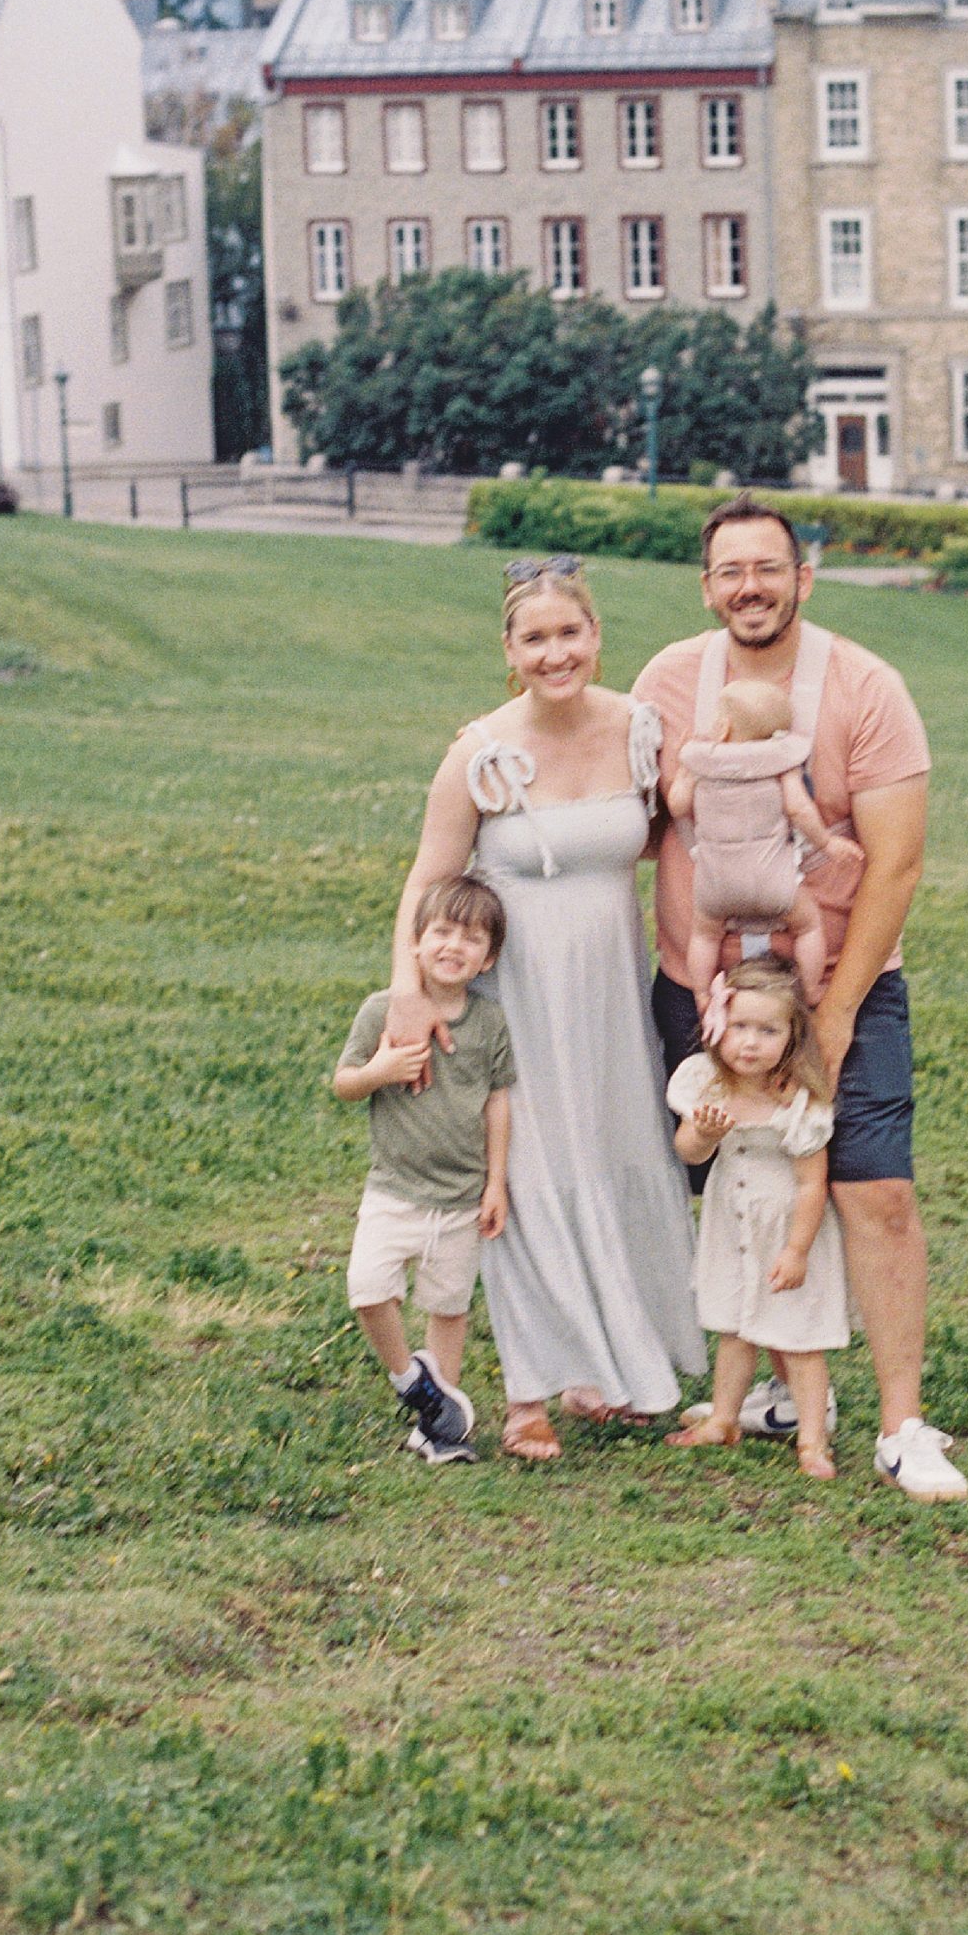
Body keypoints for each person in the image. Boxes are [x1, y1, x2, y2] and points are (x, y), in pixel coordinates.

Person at [634, 492, 966, 1505]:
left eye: (766, 569)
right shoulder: (666, 681)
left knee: (872, 1187)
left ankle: (902, 1424)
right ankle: (777, 1387)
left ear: (801, 577)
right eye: (728, 571)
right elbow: (636, 823)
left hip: (839, 981)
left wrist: (834, 1010)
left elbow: (894, 865)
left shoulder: (864, 687)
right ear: (706, 587)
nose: (749, 587)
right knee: (729, 1181)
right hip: (704, 987)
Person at [379, 555, 706, 1463]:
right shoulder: (479, 752)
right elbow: (428, 876)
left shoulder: (641, 730)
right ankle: (526, 1392)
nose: (555, 653)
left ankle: (608, 1368)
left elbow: (660, 836)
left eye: (571, 633)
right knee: (523, 1176)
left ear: (597, 637)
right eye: (536, 639)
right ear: (509, 651)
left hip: (606, 990)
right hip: (513, 996)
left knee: (612, 1153)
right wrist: (409, 985)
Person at [334, 873, 514, 1468]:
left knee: (449, 1306)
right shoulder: (382, 1012)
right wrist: (381, 1069)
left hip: (462, 1198)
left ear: (488, 958)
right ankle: (410, 1381)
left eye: (471, 938)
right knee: (368, 1288)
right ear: (415, 943)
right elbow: (344, 1084)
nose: (453, 946)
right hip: (395, 1190)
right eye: (441, 931)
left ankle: (441, 1426)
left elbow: (497, 1102)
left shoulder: (489, 1023)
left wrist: (495, 1183)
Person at [663, 956, 847, 1481]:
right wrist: (703, 1133)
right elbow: (688, 1154)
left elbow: (813, 1183)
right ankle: (723, 1418)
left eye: (767, 1031)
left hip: (785, 1227)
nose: (750, 1043)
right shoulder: (708, 1085)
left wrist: (797, 1250)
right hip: (733, 1222)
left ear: (791, 1037)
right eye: (740, 1027)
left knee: (800, 1336)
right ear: (718, 1026)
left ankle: (812, 1439)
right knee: (735, 1327)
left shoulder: (799, 1101)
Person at [666, 679, 862, 1010]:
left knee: (704, 935)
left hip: (716, 884)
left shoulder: (700, 763)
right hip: (774, 882)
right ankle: (810, 988)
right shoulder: (780, 763)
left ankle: (701, 993)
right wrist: (827, 844)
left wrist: (685, 774)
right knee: (808, 926)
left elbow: (679, 807)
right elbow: (799, 809)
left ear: (723, 726)